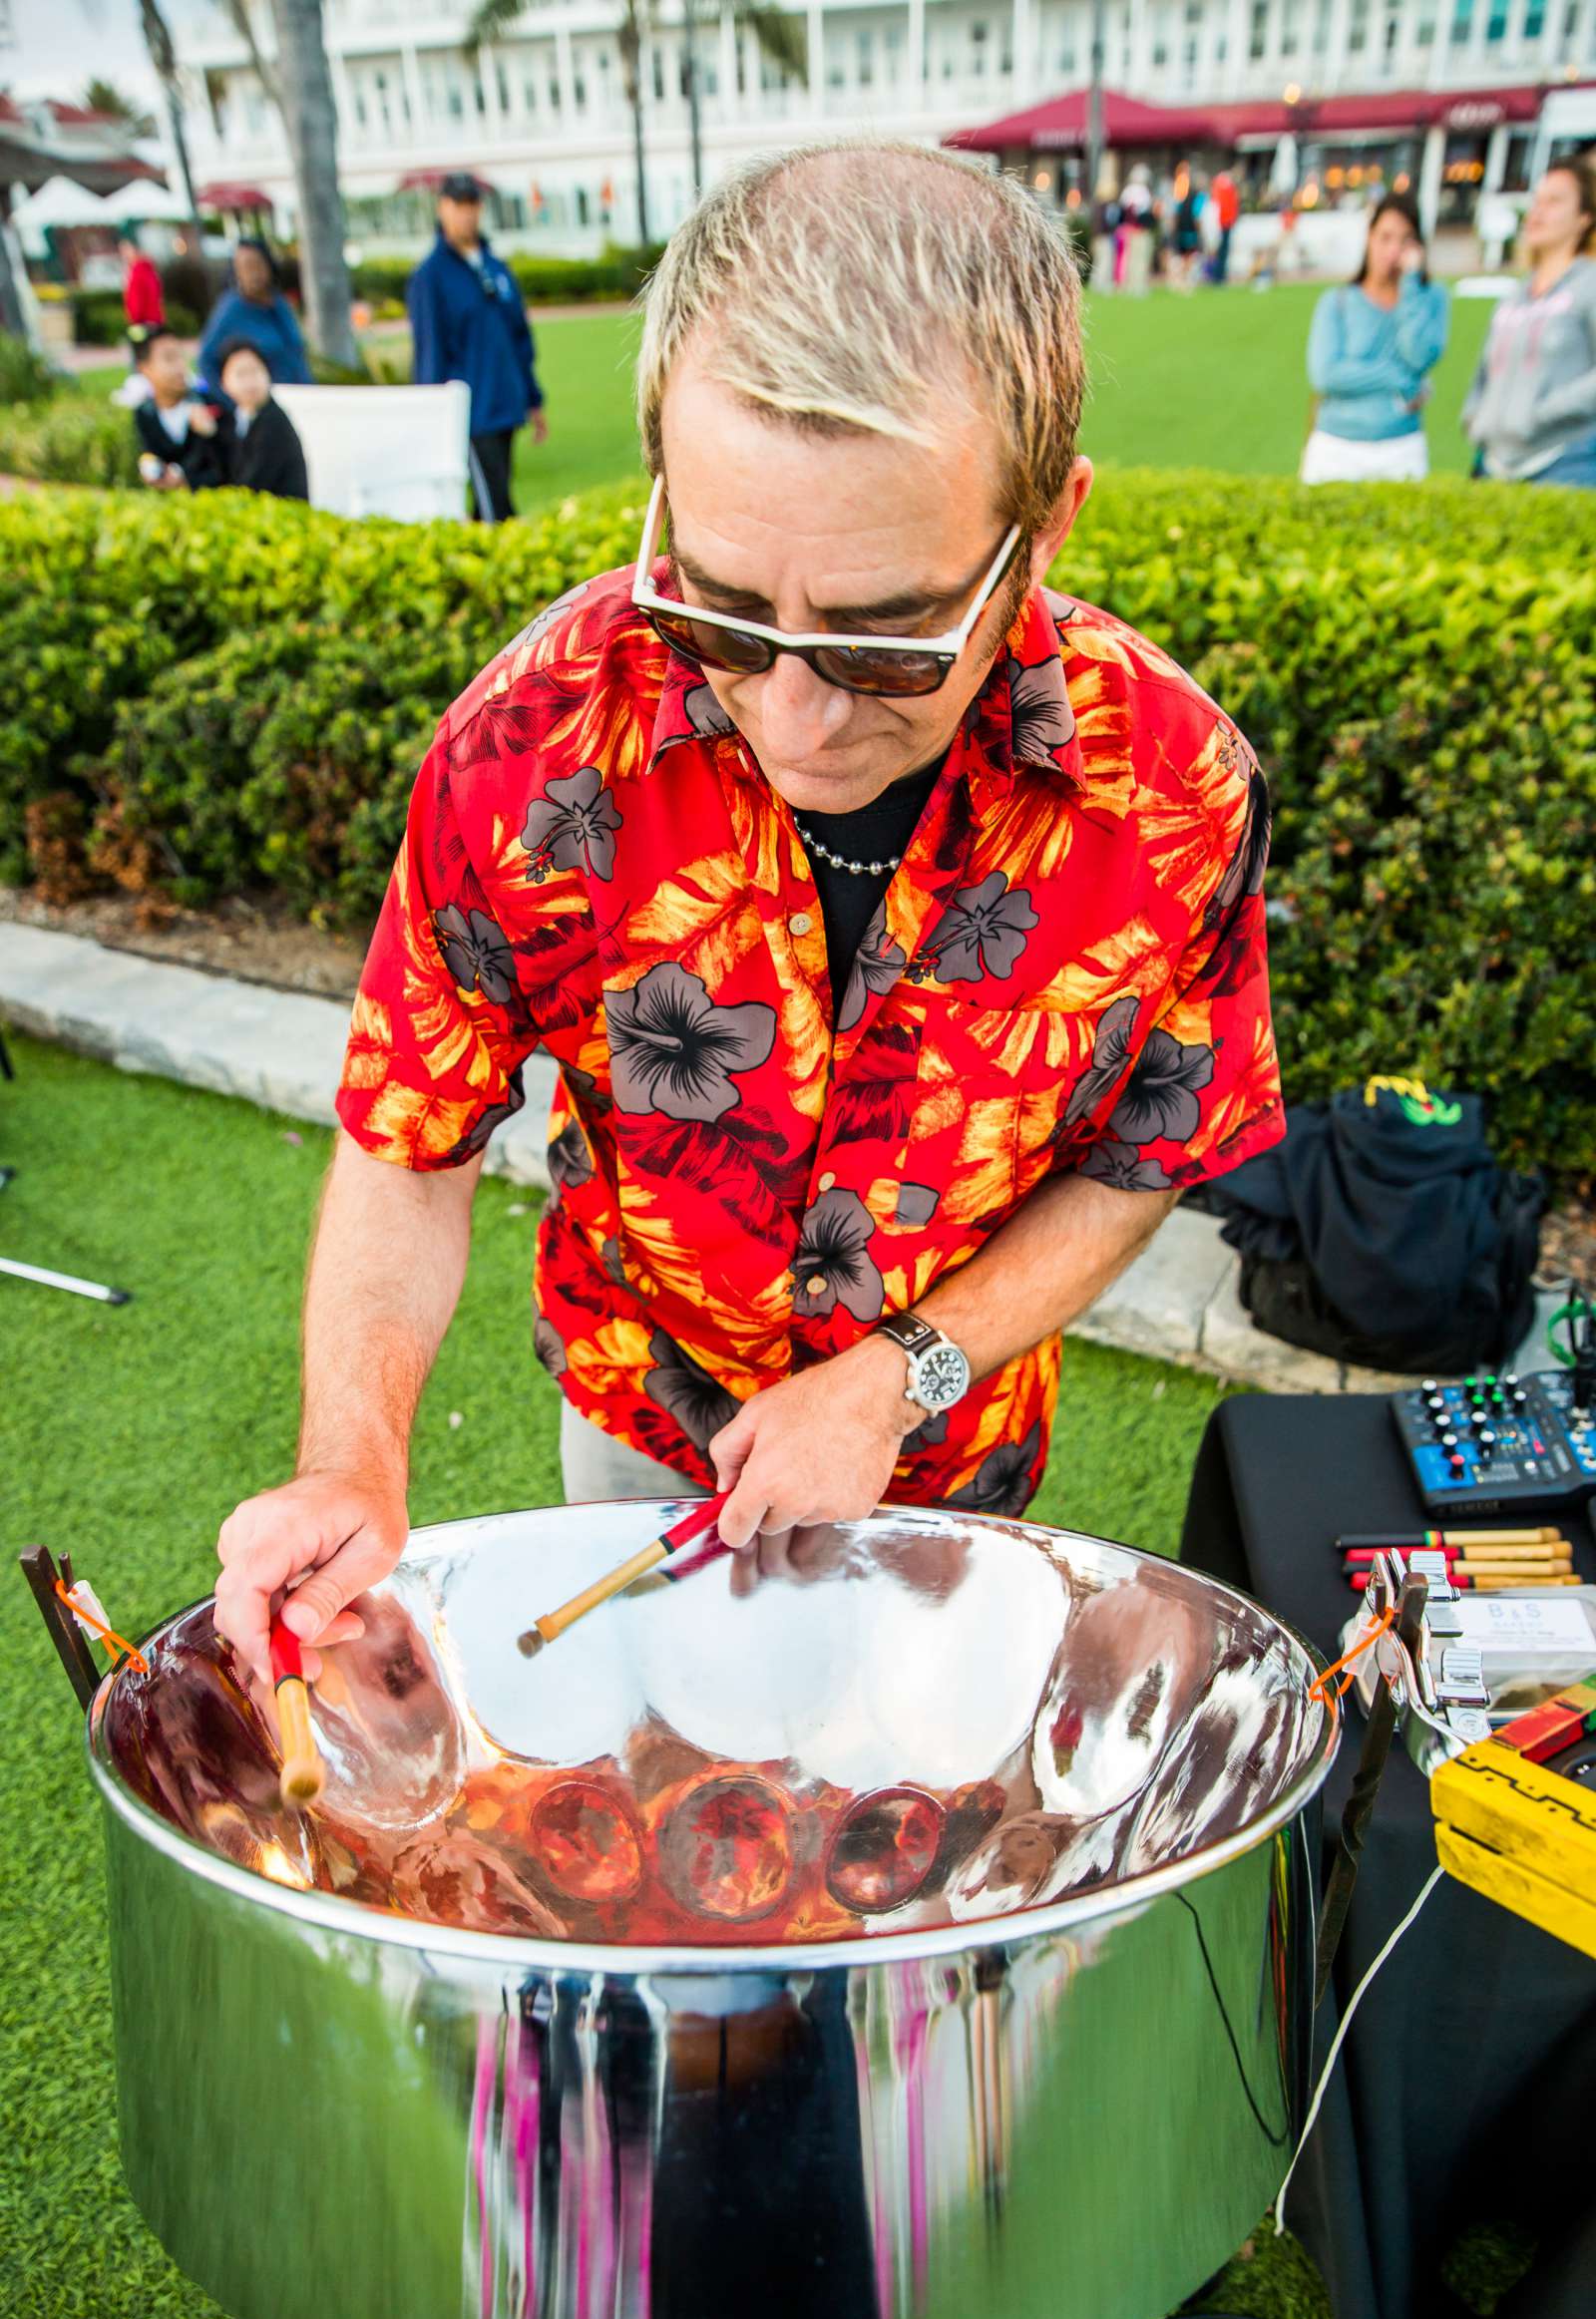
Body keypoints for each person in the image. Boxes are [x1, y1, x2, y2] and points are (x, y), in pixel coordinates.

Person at [213, 139, 1284, 1700]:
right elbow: (407, 1136)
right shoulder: (528, 747)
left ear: (1044, 527)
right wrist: (352, 1458)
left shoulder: (1174, 787)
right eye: (718, 606)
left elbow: (1143, 1158)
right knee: (653, 1800)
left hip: (953, 1453)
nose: (796, 716)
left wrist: (900, 1378)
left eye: (886, 634)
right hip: (638, 1428)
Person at [407, 172, 548, 524]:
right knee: (495, 506)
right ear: (443, 209)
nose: (466, 214)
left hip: (505, 400)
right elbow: (430, 349)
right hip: (471, 410)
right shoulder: (431, 277)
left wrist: (532, 398)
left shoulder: (495, 267)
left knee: (494, 495)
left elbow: (519, 336)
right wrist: (432, 413)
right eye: (458, 206)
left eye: (472, 206)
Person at [1464, 158, 1596, 488]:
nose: (1538, 212)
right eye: (1537, 201)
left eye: (1554, 202)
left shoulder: (1588, 285)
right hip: (1497, 466)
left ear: (1584, 217)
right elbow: (1484, 374)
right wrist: (1475, 417)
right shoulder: (1514, 296)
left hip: (1566, 463)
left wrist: (1542, 413)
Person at [1302, 196, 1449, 485]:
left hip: (1401, 448)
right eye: (1385, 238)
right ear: (1370, 238)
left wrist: (1410, 285)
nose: (1393, 251)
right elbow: (1326, 375)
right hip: (1336, 446)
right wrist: (1400, 380)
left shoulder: (1430, 297)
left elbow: (1418, 356)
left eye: (1405, 241)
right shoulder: (1337, 301)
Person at [198, 238, 311, 391]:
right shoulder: (231, 310)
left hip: (301, 396)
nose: (252, 273)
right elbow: (206, 362)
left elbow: (296, 353)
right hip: (263, 405)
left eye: (256, 264)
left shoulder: (279, 303)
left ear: (268, 264)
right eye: (244, 267)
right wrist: (234, 404)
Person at [130, 326, 228, 492]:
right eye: (169, 359)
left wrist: (210, 434)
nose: (180, 366)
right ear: (144, 368)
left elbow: (227, 470)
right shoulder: (144, 413)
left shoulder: (210, 405)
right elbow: (149, 455)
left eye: (181, 356)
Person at [216, 336, 309, 501]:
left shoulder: (274, 422)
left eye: (255, 371)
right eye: (241, 374)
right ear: (224, 383)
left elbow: (251, 487)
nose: (250, 382)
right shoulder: (235, 419)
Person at [119, 232, 163, 347]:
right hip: (154, 318)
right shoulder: (149, 269)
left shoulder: (137, 272)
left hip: (142, 321)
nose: (124, 255)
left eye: (126, 250)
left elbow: (136, 298)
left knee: (141, 356)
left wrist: (135, 318)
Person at [1211, 168, 1240, 284]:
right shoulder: (1227, 187)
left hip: (1222, 222)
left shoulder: (1219, 186)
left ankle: (1218, 275)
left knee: (1221, 250)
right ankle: (1219, 275)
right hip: (1224, 223)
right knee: (1223, 251)